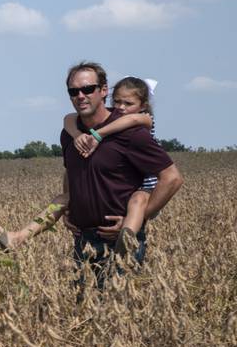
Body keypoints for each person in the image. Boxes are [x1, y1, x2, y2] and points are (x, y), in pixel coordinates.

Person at [0, 76, 158, 254]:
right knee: (61, 200)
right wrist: (77, 134)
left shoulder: (143, 119)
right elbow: (69, 119)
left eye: (128, 103)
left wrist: (98, 134)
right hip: (88, 236)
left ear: (143, 105)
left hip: (147, 183)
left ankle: (127, 238)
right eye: (117, 102)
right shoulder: (106, 119)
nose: (121, 108)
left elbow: (130, 121)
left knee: (138, 200)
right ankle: (18, 237)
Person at [60, 61, 182, 291]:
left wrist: (136, 220)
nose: (81, 96)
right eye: (73, 91)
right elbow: (70, 171)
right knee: (82, 311)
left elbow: (172, 178)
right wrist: (70, 208)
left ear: (103, 90)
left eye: (88, 89)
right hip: (82, 242)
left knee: (119, 314)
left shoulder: (130, 132)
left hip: (118, 240)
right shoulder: (70, 133)